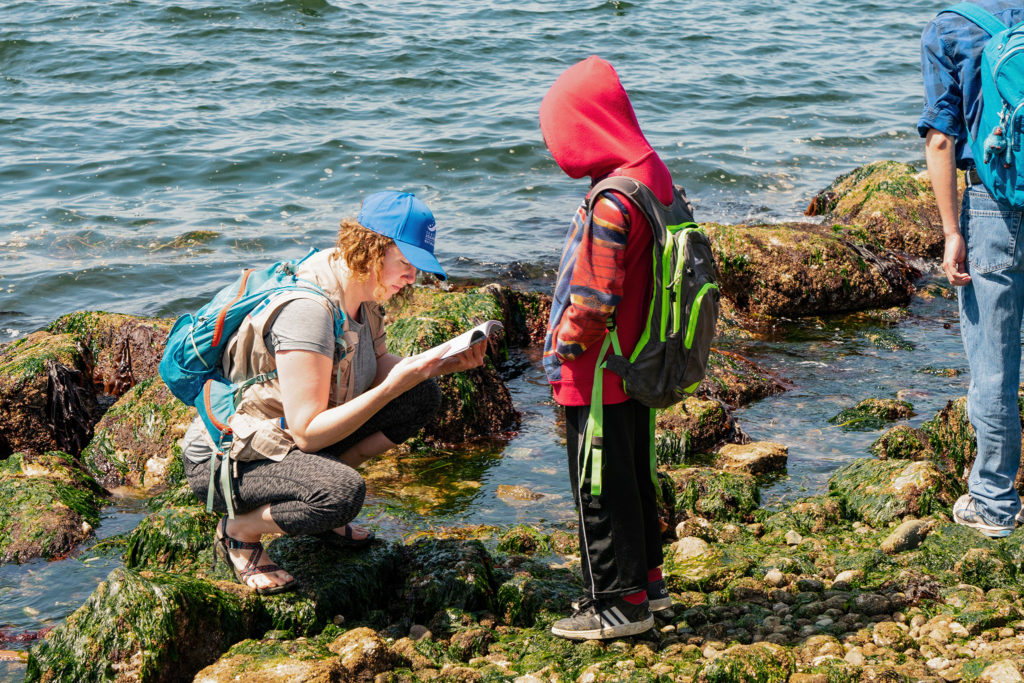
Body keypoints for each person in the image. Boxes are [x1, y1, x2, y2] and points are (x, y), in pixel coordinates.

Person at [179, 191, 486, 593]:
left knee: (421, 396)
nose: (413, 278)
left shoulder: (363, 292)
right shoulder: (309, 312)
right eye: (406, 264)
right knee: (342, 493)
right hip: (229, 460)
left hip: (287, 442)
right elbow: (308, 431)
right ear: (373, 250)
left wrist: (439, 364)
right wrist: (393, 385)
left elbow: (376, 368)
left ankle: (315, 501)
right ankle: (239, 531)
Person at [540, 56, 673, 639]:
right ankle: (649, 583)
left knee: (598, 486)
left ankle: (619, 605)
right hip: (637, 360)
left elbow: (593, 302)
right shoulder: (650, 172)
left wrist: (561, 352)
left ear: (584, 125)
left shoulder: (611, 202)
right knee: (632, 475)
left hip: (596, 374)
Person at [920, 0, 1024, 537]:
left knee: (995, 366)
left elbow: (942, 138)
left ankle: (994, 503)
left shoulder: (949, 26)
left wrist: (951, 231)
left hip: (993, 207)